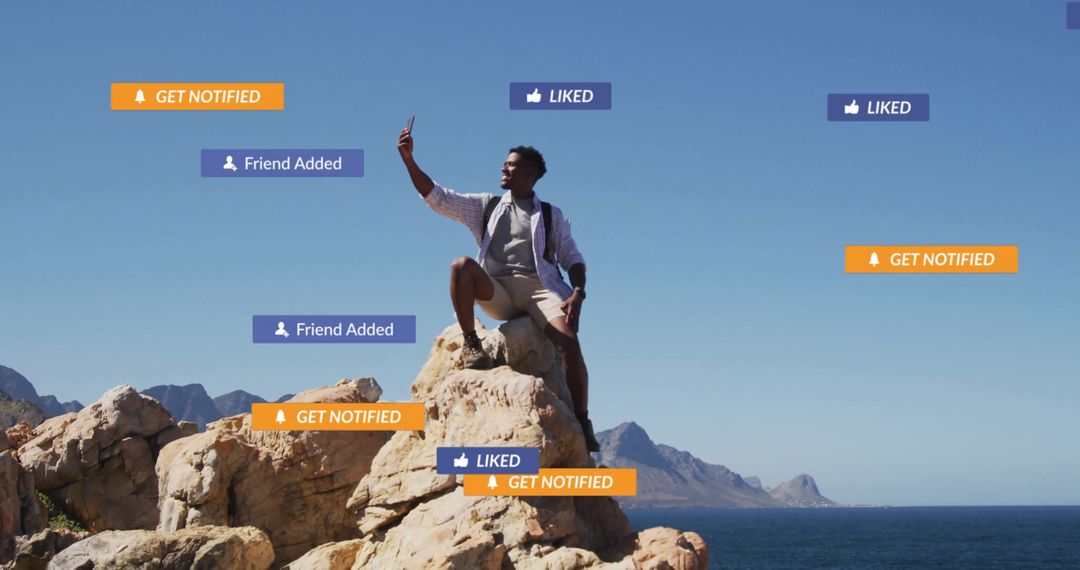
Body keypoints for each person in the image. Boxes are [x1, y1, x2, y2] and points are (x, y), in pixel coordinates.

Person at [397, 127, 599, 452]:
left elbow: (572, 257)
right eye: (505, 164)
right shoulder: (486, 206)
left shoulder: (550, 214)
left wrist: (578, 291)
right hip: (498, 291)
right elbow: (437, 197)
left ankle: (582, 420)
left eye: (512, 164)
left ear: (531, 174)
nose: (504, 168)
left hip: (539, 290)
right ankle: (472, 345)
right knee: (461, 266)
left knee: (570, 347)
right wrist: (409, 160)